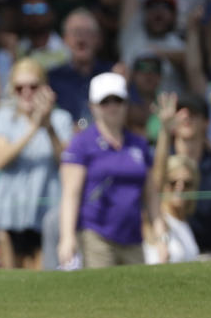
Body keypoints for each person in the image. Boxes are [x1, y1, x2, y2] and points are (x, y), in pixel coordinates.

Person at [58, 73, 157, 268]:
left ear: (126, 104)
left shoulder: (139, 144)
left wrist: (160, 233)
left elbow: (151, 194)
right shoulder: (82, 143)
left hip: (133, 236)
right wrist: (67, 237)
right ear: (93, 106)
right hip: (95, 235)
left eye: (117, 100)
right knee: (102, 294)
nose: (112, 106)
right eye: (105, 101)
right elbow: (71, 193)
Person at [0, 58, 73, 269]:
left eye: (33, 86)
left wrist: (48, 125)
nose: (26, 92)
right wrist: (34, 127)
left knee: (43, 272)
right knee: (9, 275)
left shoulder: (61, 119)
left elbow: (68, 163)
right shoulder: (4, 116)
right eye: (19, 87)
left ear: (44, 88)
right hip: (9, 208)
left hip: (47, 203)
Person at [153, 92, 211, 258]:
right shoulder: (162, 161)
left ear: (206, 123)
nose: (186, 117)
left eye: (193, 113)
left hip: (209, 251)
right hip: (168, 246)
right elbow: (154, 186)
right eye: (180, 112)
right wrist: (164, 132)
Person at [47, 9, 113, 127]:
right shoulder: (52, 78)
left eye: (87, 32)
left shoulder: (112, 75)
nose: (81, 38)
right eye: (76, 32)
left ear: (98, 39)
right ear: (65, 39)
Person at [143, 154, 200, 264]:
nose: (180, 187)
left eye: (187, 183)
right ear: (164, 184)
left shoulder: (185, 223)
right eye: (173, 182)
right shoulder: (155, 220)